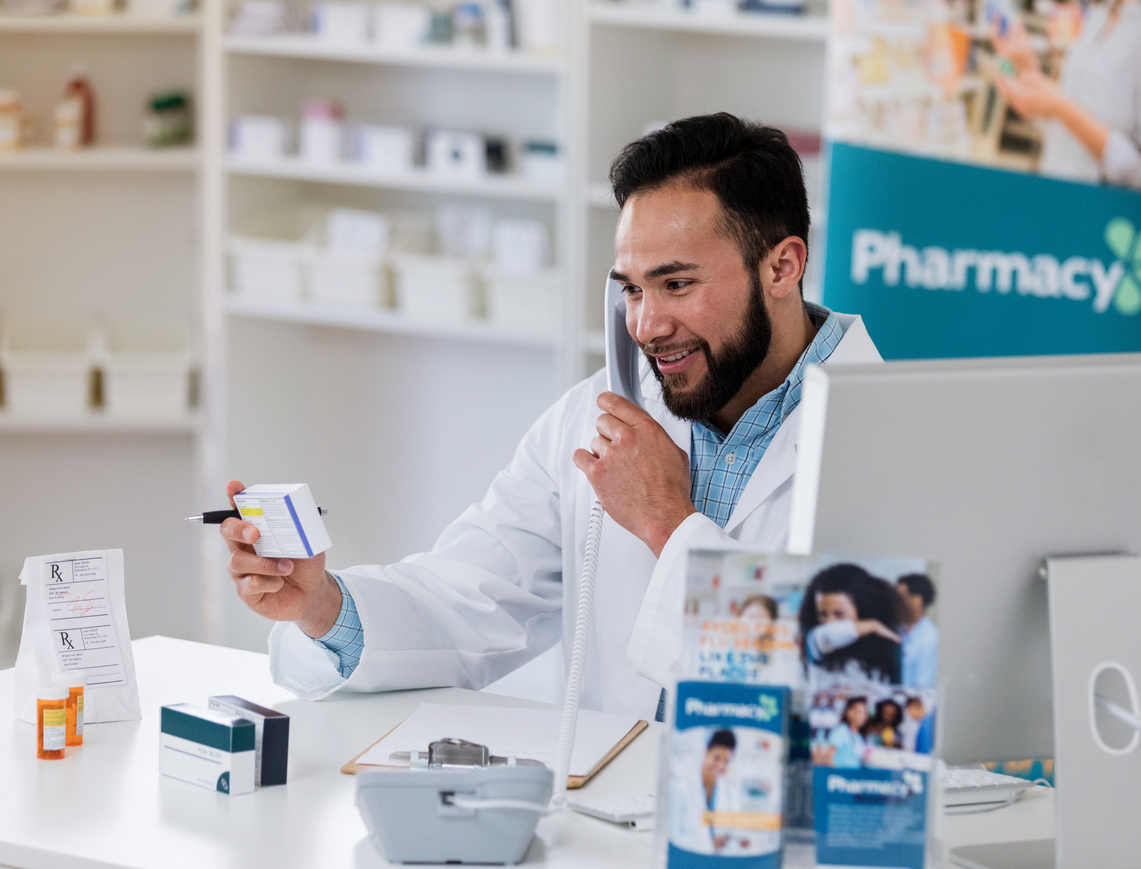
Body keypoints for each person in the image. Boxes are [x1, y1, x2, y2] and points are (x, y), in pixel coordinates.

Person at [218, 113, 883, 716]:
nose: (646, 326)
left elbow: (850, 693)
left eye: (677, 283)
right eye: (630, 289)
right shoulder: (593, 418)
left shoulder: (894, 439)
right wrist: (324, 605)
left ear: (782, 265)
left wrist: (666, 525)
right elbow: (472, 598)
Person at [992, 0, 1141, 192]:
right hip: (1057, 195)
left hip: (1102, 215)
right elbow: (1079, 119)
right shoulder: (1102, 14)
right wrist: (1029, 71)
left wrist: (1060, 108)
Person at [799, 563, 903, 684]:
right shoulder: (815, 640)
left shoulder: (884, 648)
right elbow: (828, 635)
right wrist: (874, 625)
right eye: (823, 614)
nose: (829, 622)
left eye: (839, 614)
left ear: (862, 610)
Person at [669, 729, 739, 854]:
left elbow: (732, 834)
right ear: (706, 753)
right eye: (717, 758)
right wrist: (709, 843)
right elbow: (673, 837)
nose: (720, 765)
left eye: (726, 761)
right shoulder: (682, 788)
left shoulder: (729, 794)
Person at [896, 573, 937, 688]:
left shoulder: (930, 638)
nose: (896, 603)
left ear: (917, 600)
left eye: (901, 598)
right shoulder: (898, 630)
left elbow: (923, 687)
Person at [825, 696, 869, 768]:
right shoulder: (841, 731)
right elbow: (829, 756)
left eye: (863, 713)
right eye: (857, 712)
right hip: (839, 776)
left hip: (853, 777)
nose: (860, 716)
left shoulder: (859, 736)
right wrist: (834, 774)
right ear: (848, 712)